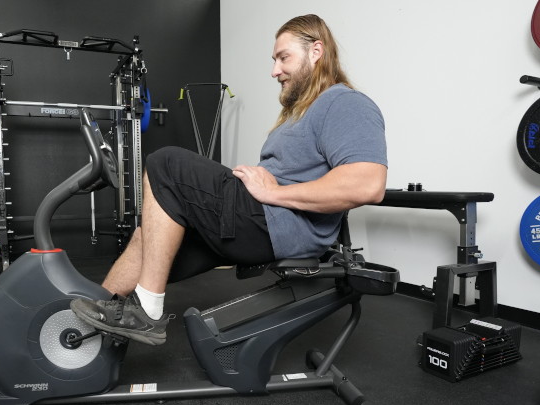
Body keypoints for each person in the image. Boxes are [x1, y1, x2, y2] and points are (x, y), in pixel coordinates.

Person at [71, 14, 388, 345]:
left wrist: (274, 193)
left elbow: (367, 184)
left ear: (316, 52)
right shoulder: (301, 113)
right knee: (147, 236)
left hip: (275, 222)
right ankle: (91, 325)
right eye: (274, 60)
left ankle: (147, 313)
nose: (274, 70)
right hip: (261, 215)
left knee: (165, 162)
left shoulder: (345, 103)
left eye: (283, 58)